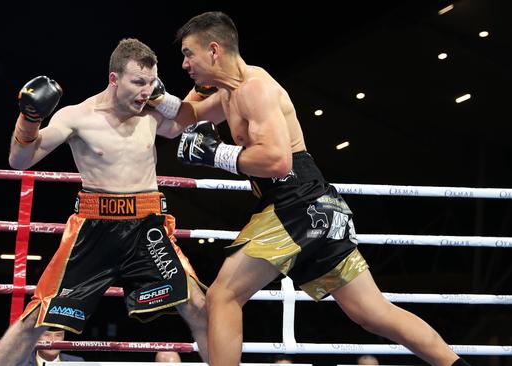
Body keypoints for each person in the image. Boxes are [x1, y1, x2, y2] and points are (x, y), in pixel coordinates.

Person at [147, 11, 470, 366]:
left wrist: (217, 153)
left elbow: (278, 161)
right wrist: (152, 95)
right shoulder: (226, 92)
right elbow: (180, 121)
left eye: (189, 53)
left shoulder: (255, 88)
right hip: (312, 203)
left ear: (213, 50)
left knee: (223, 296)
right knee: (373, 313)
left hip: (295, 201)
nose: (184, 64)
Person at [0, 38, 207, 366]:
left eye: (151, 83)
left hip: (147, 229)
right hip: (93, 229)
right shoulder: (78, 117)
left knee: (199, 307)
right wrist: (29, 118)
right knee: (37, 319)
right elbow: (20, 160)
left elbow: (186, 120)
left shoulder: (151, 114)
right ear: (114, 79)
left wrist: (164, 98)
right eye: (138, 82)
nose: (146, 91)